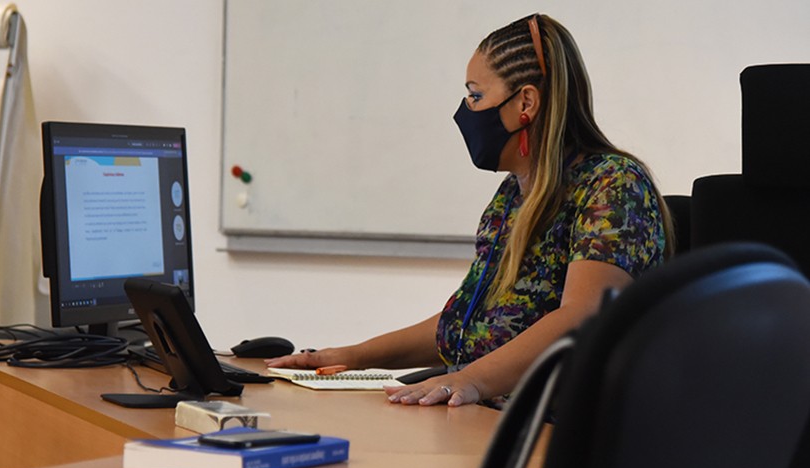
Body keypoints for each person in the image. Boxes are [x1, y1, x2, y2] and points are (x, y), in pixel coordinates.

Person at [266, 13, 674, 408]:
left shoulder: (612, 183)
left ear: (525, 102)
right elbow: (464, 326)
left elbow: (583, 316)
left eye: (476, 95)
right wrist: (352, 356)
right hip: (490, 412)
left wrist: (468, 380)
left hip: (559, 428)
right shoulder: (512, 196)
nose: (467, 110)